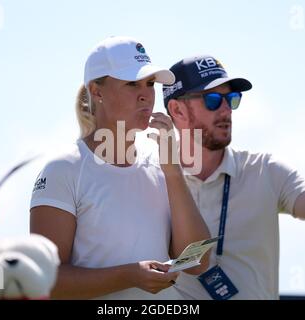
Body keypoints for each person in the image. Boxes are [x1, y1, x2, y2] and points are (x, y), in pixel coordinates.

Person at [29, 36, 210, 300]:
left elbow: (198, 262)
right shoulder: (63, 169)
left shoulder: (163, 166)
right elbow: (45, 279)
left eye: (150, 84)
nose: (145, 95)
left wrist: (172, 170)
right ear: (97, 91)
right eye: (132, 83)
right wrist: (131, 275)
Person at [162, 55, 305, 300]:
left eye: (232, 99)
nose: (227, 109)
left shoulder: (265, 170)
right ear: (177, 110)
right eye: (213, 100)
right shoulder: (148, 179)